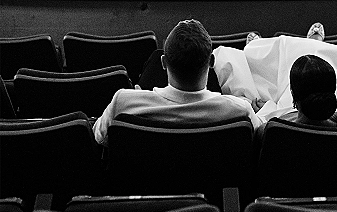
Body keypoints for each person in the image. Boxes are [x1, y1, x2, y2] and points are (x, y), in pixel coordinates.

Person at [93, 18, 262, 144]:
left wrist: (137, 99)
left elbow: (98, 138)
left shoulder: (124, 102)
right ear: (211, 62)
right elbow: (261, 138)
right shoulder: (239, 110)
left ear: (163, 63)